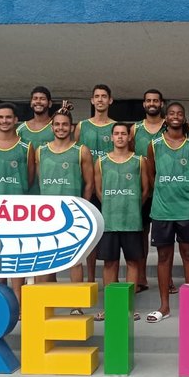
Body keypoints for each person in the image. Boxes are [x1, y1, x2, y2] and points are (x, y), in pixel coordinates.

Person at [145, 103, 189, 322]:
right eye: (172, 113)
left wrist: (186, 192)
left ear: (184, 119)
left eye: (180, 114)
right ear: (166, 117)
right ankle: (164, 306)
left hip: (187, 209)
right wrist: (165, 191)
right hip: (162, 210)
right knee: (164, 257)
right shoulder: (155, 145)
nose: (176, 117)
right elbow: (151, 175)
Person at [0, 102, 36, 316]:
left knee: (17, 258)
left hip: (17, 212)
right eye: (0, 118)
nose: (4, 121)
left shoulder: (26, 147)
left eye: (8, 117)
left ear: (15, 120)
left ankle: (19, 304)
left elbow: (29, 178)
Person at [34, 101, 94, 290]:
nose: (61, 128)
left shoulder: (81, 151)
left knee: (74, 259)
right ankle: (46, 300)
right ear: (52, 127)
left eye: (65, 124)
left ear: (71, 127)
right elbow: (39, 178)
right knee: (46, 258)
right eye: (57, 124)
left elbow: (90, 183)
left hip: (71, 214)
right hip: (47, 214)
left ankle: (76, 306)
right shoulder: (41, 151)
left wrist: (81, 206)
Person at [95, 122, 151, 321]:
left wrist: (132, 205)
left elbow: (145, 190)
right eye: (116, 134)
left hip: (132, 221)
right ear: (111, 137)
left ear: (129, 137)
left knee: (132, 263)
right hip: (110, 221)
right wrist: (112, 205)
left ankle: (127, 308)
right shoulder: (101, 162)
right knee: (110, 264)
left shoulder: (139, 161)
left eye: (123, 134)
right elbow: (99, 191)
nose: (119, 137)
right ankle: (111, 308)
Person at [74, 84, 116, 283]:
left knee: (111, 235)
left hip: (112, 190)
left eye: (104, 96)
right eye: (97, 96)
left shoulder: (116, 128)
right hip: (87, 189)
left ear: (110, 100)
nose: (100, 100)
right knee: (90, 235)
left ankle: (113, 279)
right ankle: (90, 278)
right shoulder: (82, 126)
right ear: (92, 101)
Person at [131, 89, 165, 294]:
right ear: (144, 104)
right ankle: (141, 277)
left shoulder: (169, 126)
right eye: (148, 100)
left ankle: (166, 279)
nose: (152, 103)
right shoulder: (135, 129)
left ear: (161, 104)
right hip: (142, 189)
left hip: (165, 190)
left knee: (165, 240)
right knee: (141, 235)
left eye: (155, 100)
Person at [17, 86, 56, 194]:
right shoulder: (21, 129)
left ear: (50, 103)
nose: (38, 101)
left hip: (50, 182)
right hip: (27, 185)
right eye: (35, 98)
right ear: (31, 103)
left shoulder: (57, 128)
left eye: (42, 99)